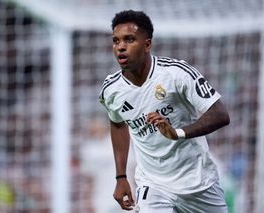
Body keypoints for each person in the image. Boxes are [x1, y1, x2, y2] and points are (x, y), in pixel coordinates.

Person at [99, 10, 230, 213]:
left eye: (129, 39)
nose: (121, 47)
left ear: (147, 44)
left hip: (198, 182)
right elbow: (117, 124)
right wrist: (121, 177)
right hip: (153, 185)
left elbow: (220, 114)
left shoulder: (176, 74)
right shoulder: (111, 90)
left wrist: (177, 133)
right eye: (116, 41)